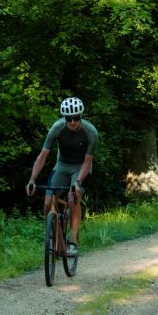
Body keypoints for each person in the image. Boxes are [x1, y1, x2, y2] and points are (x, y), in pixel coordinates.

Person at [26, 97, 98, 257]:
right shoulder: (57, 128)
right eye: (69, 119)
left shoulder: (91, 132)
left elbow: (87, 162)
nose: (73, 122)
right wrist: (32, 180)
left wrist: (78, 182)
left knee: (73, 198)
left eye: (76, 118)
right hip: (63, 165)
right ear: (64, 118)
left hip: (81, 167)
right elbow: (42, 157)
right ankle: (57, 240)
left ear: (81, 116)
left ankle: (72, 239)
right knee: (47, 203)